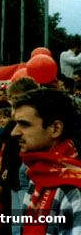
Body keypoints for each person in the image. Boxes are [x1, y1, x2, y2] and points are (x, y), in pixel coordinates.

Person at [11, 88, 81, 235]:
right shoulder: (39, 174)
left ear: (55, 129)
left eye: (24, 124)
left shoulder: (73, 191)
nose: (14, 132)